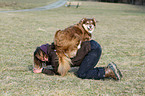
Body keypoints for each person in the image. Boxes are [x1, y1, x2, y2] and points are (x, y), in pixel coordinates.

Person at [33, 40, 122, 80]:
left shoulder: (53, 53)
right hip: (92, 46)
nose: (45, 59)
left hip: (92, 50)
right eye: (42, 60)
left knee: (82, 73)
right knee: (84, 70)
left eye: (44, 56)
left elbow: (58, 72)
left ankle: (108, 71)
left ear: (45, 51)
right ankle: (109, 69)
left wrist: (42, 70)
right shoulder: (52, 49)